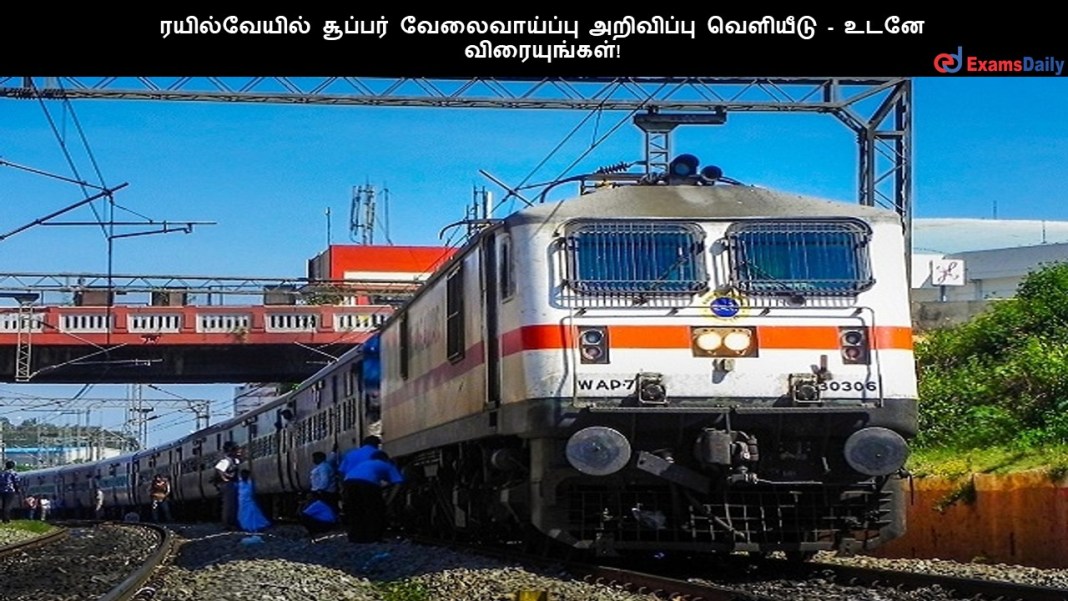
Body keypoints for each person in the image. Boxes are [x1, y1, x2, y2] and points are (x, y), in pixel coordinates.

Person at [340, 450, 403, 543]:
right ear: (385, 459)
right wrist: (388, 501)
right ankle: (373, 537)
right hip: (367, 484)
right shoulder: (387, 465)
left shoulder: (365, 464)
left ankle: (355, 537)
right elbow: (398, 483)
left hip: (349, 482)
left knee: (356, 510)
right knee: (374, 510)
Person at [214, 441, 241, 530]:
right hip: (228, 485)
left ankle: (233, 522)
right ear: (232, 451)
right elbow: (219, 469)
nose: (239, 452)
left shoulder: (235, 461)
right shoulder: (226, 460)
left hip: (234, 484)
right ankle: (228, 524)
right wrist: (224, 478)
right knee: (229, 505)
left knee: (234, 505)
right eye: (237, 451)